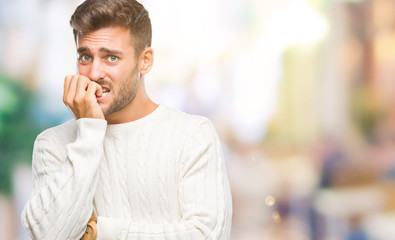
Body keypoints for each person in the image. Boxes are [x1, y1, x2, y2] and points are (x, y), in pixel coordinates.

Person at [21, 0, 232, 239]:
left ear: (145, 61)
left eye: (111, 57)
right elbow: (48, 235)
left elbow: (206, 235)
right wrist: (88, 132)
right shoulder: (52, 144)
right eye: (85, 57)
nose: (94, 73)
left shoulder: (193, 135)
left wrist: (99, 233)